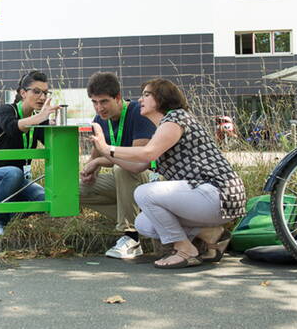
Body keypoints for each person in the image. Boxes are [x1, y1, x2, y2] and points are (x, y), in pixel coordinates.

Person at [90, 78, 246, 269]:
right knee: (143, 223)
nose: (140, 100)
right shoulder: (163, 127)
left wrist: (107, 149)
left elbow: (148, 153)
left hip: (218, 192)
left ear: (162, 98)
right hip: (205, 196)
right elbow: (138, 165)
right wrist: (101, 157)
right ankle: (210, 234)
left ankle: (185, 250)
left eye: (147, 95)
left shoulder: (176, 118)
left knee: (144, 192)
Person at [79, 72, 156, 259]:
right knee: (75, 190)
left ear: (118, 97)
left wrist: (99, 160)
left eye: (104, 101)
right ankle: (146, 223)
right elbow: (97, 152)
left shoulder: (139, 112)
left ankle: (131, 236)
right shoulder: (99, 120)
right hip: (126, 183)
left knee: (122, 168)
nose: (99, 108)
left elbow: (137, 158)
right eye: (94, 102)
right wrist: (90, 169)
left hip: (153, 179)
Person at [0, 71, 59, 236]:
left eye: (45, 93)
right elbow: (13, 128)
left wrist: (53, 129)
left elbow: (51, 145)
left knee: (45, 200)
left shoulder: (39, 119)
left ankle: (8, 215)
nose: (42, 97)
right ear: (23, 93)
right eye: (36, 91)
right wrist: (39, 118)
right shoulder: (7, 110)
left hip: (19, 182)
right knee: (13, 172)